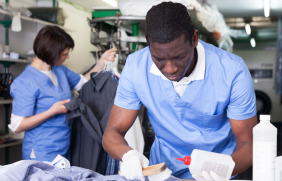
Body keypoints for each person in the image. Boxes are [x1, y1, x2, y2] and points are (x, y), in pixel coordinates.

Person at [103, 2, 257, 181]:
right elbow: (112, 131)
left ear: (194, 39)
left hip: (217, 172)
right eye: (158, 58)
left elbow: (248, 144)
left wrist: (220, 171)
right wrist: (127, 155)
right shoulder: (136, 67)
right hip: (162, 172)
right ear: (148, 43)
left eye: (179, 57)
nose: (170, 69)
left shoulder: (231, 71)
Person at [8, 25, 116, 162]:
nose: (68, 57)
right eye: (65, 54)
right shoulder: (25, 82)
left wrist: (101, 63)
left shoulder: (59, 70)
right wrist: (51, 111)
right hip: (41, 152)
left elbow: (83, 83)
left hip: (64, 146)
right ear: (51, 52)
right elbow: (17, 126)